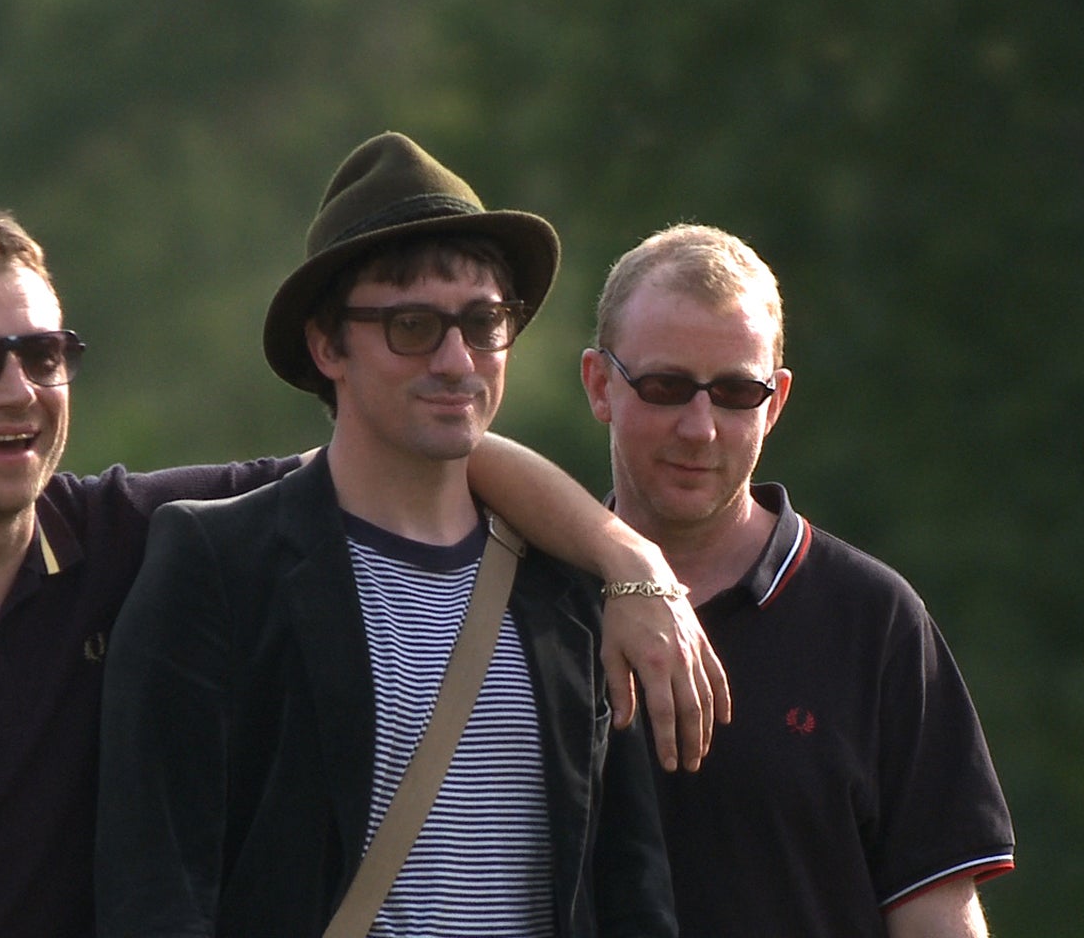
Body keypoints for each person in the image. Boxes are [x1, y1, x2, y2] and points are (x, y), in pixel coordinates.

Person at [0, 194, 712, 938]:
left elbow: (424, 436)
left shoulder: (132, 536)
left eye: (44, 353)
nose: (18, 391)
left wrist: (627, 562)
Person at [96, 133, 678, 938]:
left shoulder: (571, 588)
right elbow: (155, 887)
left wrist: (629, 562)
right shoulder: (218, 565)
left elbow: (632, 894)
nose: (455, 359)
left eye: (483, 322)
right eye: (411, 325)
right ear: (327, 344)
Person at [580, 223, 1015, 937]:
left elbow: (937, 914)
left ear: (776, 400)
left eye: (734, 392)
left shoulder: (872, 620)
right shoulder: (532, 603)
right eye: (664, 387)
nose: (700, 426)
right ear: (600, 383)